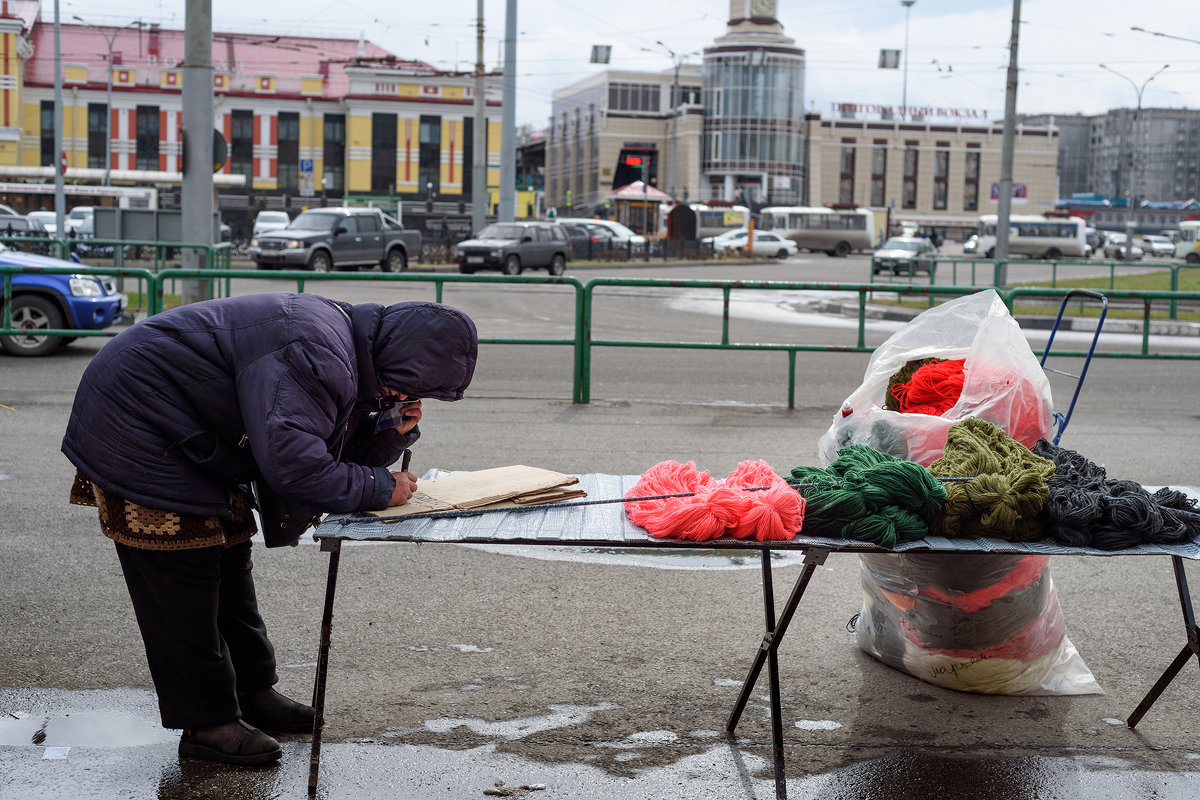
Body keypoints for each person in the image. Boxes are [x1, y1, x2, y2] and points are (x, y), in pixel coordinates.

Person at [61, 293, 478, 766]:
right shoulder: (314, 349)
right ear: (394, 359)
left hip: (196, 431)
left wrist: (388, 430)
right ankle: (208, 723)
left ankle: (251, 693)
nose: (402, 398)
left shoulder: (348, 347)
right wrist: (379, 487)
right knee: (183, 581)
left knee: (231, 559)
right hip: (137, 425)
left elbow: (320, 442)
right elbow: (294, 467)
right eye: (403, 388)